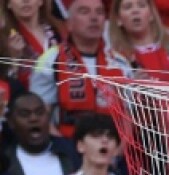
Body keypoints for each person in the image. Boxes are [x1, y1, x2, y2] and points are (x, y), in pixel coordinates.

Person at [30, 0, 130, 138]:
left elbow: (128, 117)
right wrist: (65, 148)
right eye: (84, 12)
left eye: (99, 12)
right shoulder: (50, 60)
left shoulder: (120, 62)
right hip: (65, 143)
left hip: (112, 144)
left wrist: (119, 149)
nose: (94, 18)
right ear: (69, 24)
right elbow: (40, 116)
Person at [0, 92, 80, 175]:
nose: (34, 118)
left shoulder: (72, 151)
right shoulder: (5, 162)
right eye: (25, 114)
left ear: (48, 117)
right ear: (11, 122)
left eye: (39, 112)